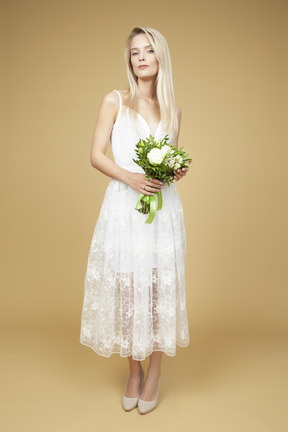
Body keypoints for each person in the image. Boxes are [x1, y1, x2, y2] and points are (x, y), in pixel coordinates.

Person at [80, 26, 190, 414]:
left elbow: (169, 159)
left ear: (161, 57)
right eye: (134, 53)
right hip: (124, 207)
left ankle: (155, 371)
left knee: (160, 289)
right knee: (128, 288)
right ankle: (134, 371)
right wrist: (129, 177)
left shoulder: (173, 109)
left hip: (162, 210)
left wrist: (175, 171)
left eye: (148, 51)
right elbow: (96, 154)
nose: (141, 57)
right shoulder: (115, 100)